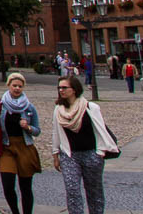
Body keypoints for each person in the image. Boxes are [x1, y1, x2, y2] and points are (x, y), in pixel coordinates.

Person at [52, 75, 117, 214]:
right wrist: (55, 154)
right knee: (72, 190)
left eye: (64, 87)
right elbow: (56, 133)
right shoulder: (58, 109)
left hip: (91, 154)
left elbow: (100, 130)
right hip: (69, 155)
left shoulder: (90, 107)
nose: (61, 90)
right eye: (59, 88)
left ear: (74, 89)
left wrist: (99, 153)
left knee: (94, 192)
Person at [0, 72, 41, 214]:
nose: (17, 88)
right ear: (8, 85)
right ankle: (15, 211)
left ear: (23, 88)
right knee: (8, 185)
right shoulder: (0, 104)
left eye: (20, 86)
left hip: (25, 147)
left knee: (25, 186)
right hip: (6, 148)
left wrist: (27, 127)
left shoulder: (29, 107)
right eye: (14, 85)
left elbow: (37, 130)